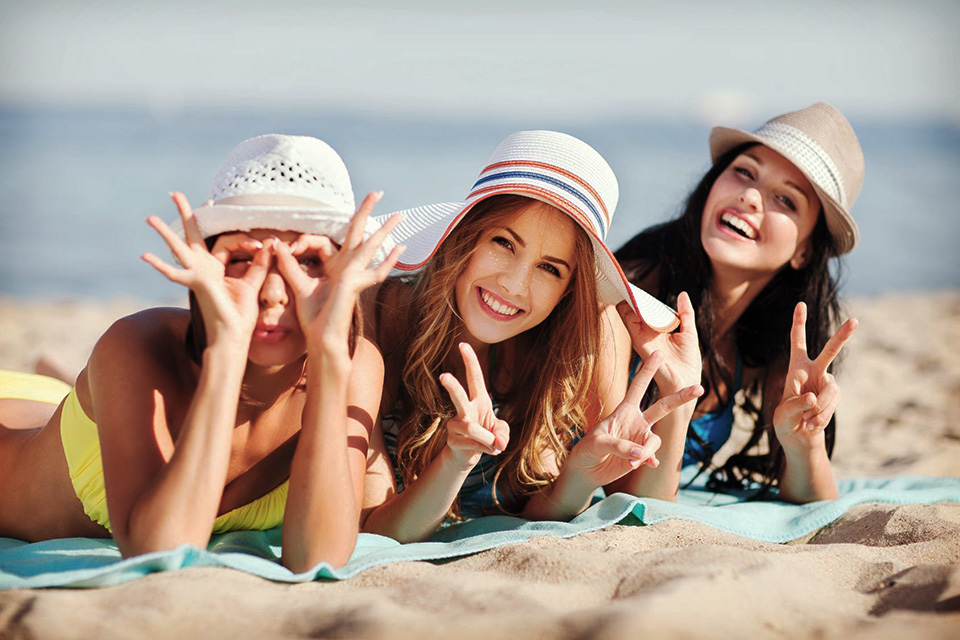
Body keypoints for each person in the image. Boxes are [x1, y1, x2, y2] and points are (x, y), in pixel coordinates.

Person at [0, 134, 403, 571]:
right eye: (244, 259)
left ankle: (56, 374)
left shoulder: (355, 365)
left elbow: (317, 559)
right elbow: (160, 552)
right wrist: (227, 352)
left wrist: (328, 357)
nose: (271, 292)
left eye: (307, 261)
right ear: (207, 265)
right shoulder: (135, 345)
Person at [360, 130, 703, 542]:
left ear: (569, 291)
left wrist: (680, 395)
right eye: (504, 243)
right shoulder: (379, 315)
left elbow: (637, 508)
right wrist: (455, 459)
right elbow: (375, 530)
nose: (515, 285)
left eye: (550, 268)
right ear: (465, 238)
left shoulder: (592, 337)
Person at [611, 103, 862, 504]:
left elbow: (814, 500)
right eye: (745, 172)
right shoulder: (631, 297)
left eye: (786, 200)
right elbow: (616, 491)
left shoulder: (776, 341)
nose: (749, 196)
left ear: (803, 251)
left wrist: (805, 443)